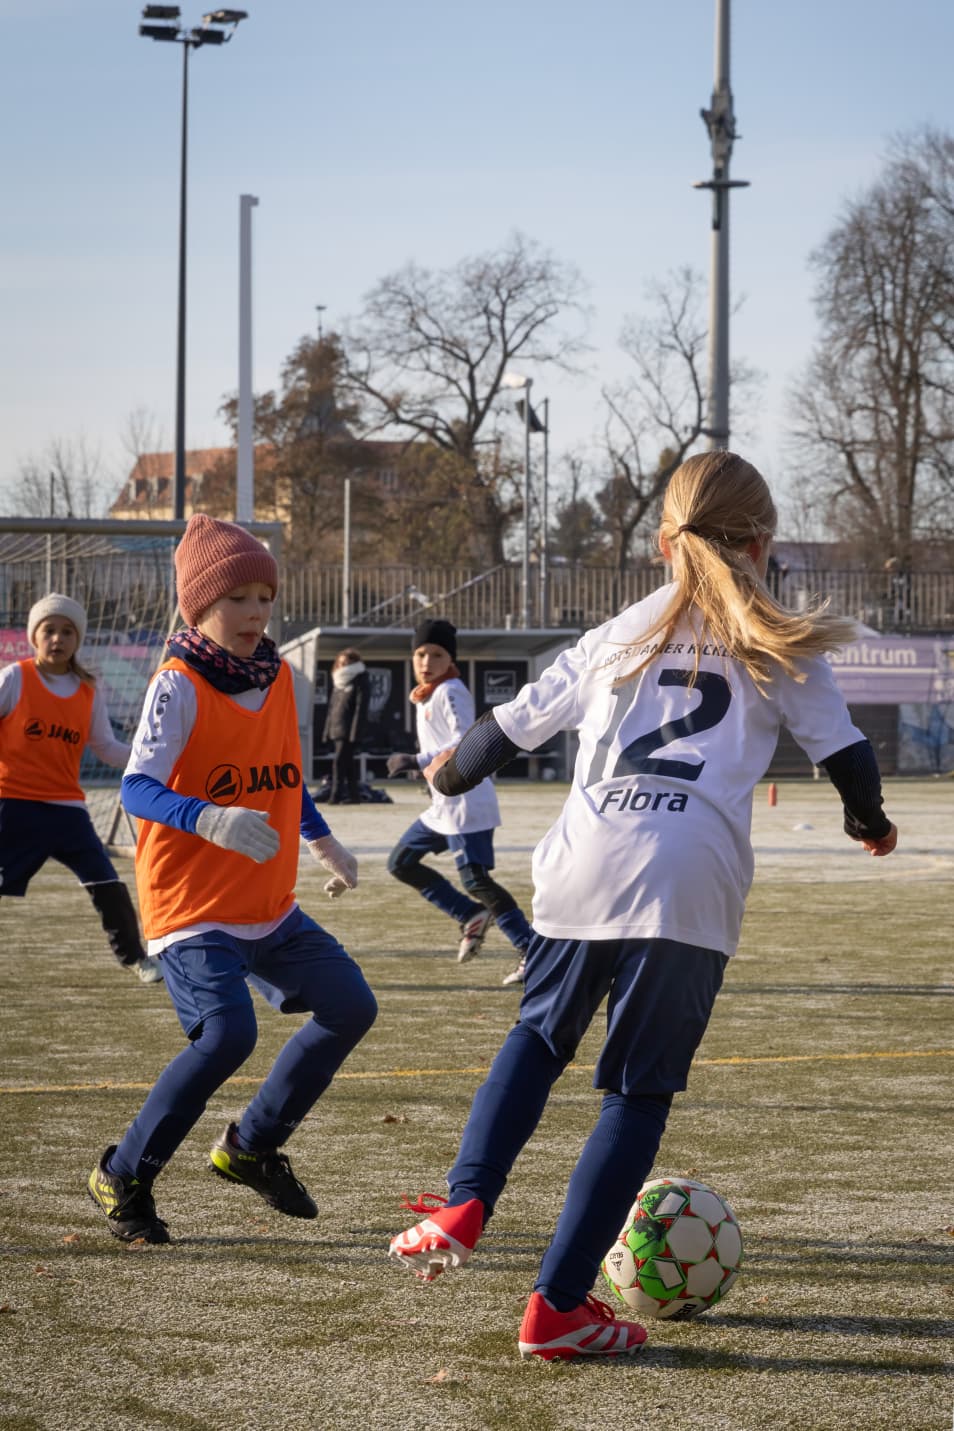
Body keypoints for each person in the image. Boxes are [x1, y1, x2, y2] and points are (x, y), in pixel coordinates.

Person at [387, 452, 898, 1361]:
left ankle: (466, 1200)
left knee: (539, 1037)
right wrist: (872, 824)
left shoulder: (616, 632)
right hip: (688, 878)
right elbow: (848, 758)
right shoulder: (776, 636)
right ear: (762, 543)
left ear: (665, 543)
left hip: (584, 860)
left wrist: (448, 771)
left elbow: (502, 732)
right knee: (635, 1093)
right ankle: (557, 1307)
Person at [87, 514, 377, 1244]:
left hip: (267, 905)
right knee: (227, 1035)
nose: (255, 612)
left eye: (264, 598)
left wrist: (322, 839)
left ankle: (251, 1146)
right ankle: (123, 1173)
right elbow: (136, 789)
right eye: (237, 598)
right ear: (198, 608)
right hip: (190, 908)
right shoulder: (177, 684)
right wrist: (209, 818)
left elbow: (283, 776)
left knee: (351, 1005)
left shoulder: (276, 676)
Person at [0, 593, 162, 985]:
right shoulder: (15, 677)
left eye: (67, 631)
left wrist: (154, 758)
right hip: (13, 803)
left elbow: (105, 747)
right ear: (34, 637)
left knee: (106, 881)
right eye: (49, 630)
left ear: (78, 639)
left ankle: (135, 958)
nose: (57, 638)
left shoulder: (88, 689)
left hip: (67, 810)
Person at [385, 618, 533, 978]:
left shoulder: (451, 690)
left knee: (476, 880)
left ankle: (531, 950)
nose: (426, 662)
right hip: (443, 805)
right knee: (401, 863)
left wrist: (416, 760)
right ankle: (469, 914)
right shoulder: (427, 693)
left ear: (450, 659)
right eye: (421, 654)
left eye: (436, 655)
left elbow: (464, 740)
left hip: (467, 802)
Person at [322, 647, 370, 804]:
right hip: (336, 729)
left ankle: (335, 795)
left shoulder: (361, 679)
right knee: (348, 764)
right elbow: (332, 708)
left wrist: (355, 733)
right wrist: (327, 731)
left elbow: (360, 709)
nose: (343, 666)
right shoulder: (338, 681)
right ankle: (354, 796)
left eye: (346, 663)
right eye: (340, 663)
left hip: (349, 731)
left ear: (354, 663)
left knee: (339, 762)